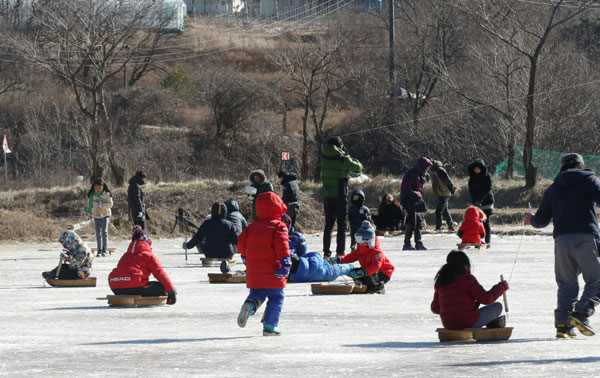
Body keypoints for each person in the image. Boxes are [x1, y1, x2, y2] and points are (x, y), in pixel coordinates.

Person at [525, 153, 600, 338]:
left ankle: (563, 324)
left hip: (561, 242)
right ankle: (581, 313)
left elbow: (541, 220)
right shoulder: (589, 181)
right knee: (597, 281)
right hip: (585, 237)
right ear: (581, 165)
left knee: (566, 284)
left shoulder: (553, 188)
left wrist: (531, 219)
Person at [237, 192, 290, 336]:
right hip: (274, 270)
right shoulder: (279, 226)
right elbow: (283, 246)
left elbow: (241, 243)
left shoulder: (252, 227)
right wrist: (286, 262)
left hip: (254, 271)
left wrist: (245, 255)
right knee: (276, 297)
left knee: (257, 294)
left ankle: (250, 306)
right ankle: (270, 326)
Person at [431, 250, 508, 330]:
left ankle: (491, 321)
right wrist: (501, 287)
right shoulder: (468, 279)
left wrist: (452, 310)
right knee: (497, 306)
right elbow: (486, 299)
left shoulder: (441, 281)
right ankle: (492, 322)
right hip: (468, 322)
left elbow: (435, 308)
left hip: (449, 325)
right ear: (465, 266)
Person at [108, 226, 177, 305]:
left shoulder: (125, 255)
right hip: (135, 286)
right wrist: (171, 291)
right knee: (163, 288)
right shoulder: (148, 255)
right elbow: (160, 273)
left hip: (115, 286)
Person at [321, 136, 363, 257]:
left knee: (328, 225)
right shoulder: (341, 159)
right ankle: (340, 253)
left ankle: (326, 252)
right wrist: (346, 153)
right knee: (342, 226)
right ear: (339, 146)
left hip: (328, 196)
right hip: (340, 195)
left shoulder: (323, 157)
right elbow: (357, 167)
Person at [331, 221, 395, 294]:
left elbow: (376, 266)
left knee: (369, 274)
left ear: (369, 241)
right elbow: (350, 257)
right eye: (357, 239)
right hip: (368, 270)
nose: (359, 242)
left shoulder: (376, 252)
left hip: (383, 272)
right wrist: (339, 259)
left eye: (360, 240)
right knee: (353, 272)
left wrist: (363, 272)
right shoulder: (361, 249)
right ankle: (362, 284)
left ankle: (378, 287)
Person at [400, 157, 433, 250]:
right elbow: (407, 188)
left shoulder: (419, 174)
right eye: (427, 167)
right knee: (412, 221)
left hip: (414, 200)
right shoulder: (413, 173)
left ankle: (418, 243)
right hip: (409, 200)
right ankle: (407, 244)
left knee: (418, 222)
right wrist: (416, 194)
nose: (428, 169)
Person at [468, 159, 494, 246]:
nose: (477, 170)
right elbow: (471, 190)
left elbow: (487, 189)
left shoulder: (487, 177)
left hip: (487, 202)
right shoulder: (472, 178)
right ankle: (478, 240)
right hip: (477, 203)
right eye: (475, 169)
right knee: (477, 222)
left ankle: (487, 240)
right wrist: (474, 200)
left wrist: (480, 200)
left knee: (486, 221)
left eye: (478, 169)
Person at [85, 178, 113, 257]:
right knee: (98, 233)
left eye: (99, 188)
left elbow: (110, 204)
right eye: (96, 188)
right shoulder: (92, 195)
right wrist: (89, 213)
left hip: (105, 214)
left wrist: (101, 205)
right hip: (96, 214)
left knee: (104, 232)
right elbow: (90, 205)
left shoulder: (107, 194)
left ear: (103, 186)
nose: (97, 190)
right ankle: (99, 250)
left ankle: (105, 250)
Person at [289, 252, 354, 283]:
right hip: (332, 269)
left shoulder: (297, 277)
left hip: (329, 275)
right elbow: (316, 254)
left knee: (343, 270)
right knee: (347, 267)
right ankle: (353, 269)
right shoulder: (314, 261)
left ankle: (351, 270)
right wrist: (304, 256)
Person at [430, 160, 456, 231]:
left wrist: (452, 189)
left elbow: (448, 180)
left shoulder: (439, 170)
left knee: (438, 211)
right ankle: (451, 226)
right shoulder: (433, 170)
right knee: (444, 211)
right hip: (440, 193)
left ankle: (439, 227)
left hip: (444, 192)